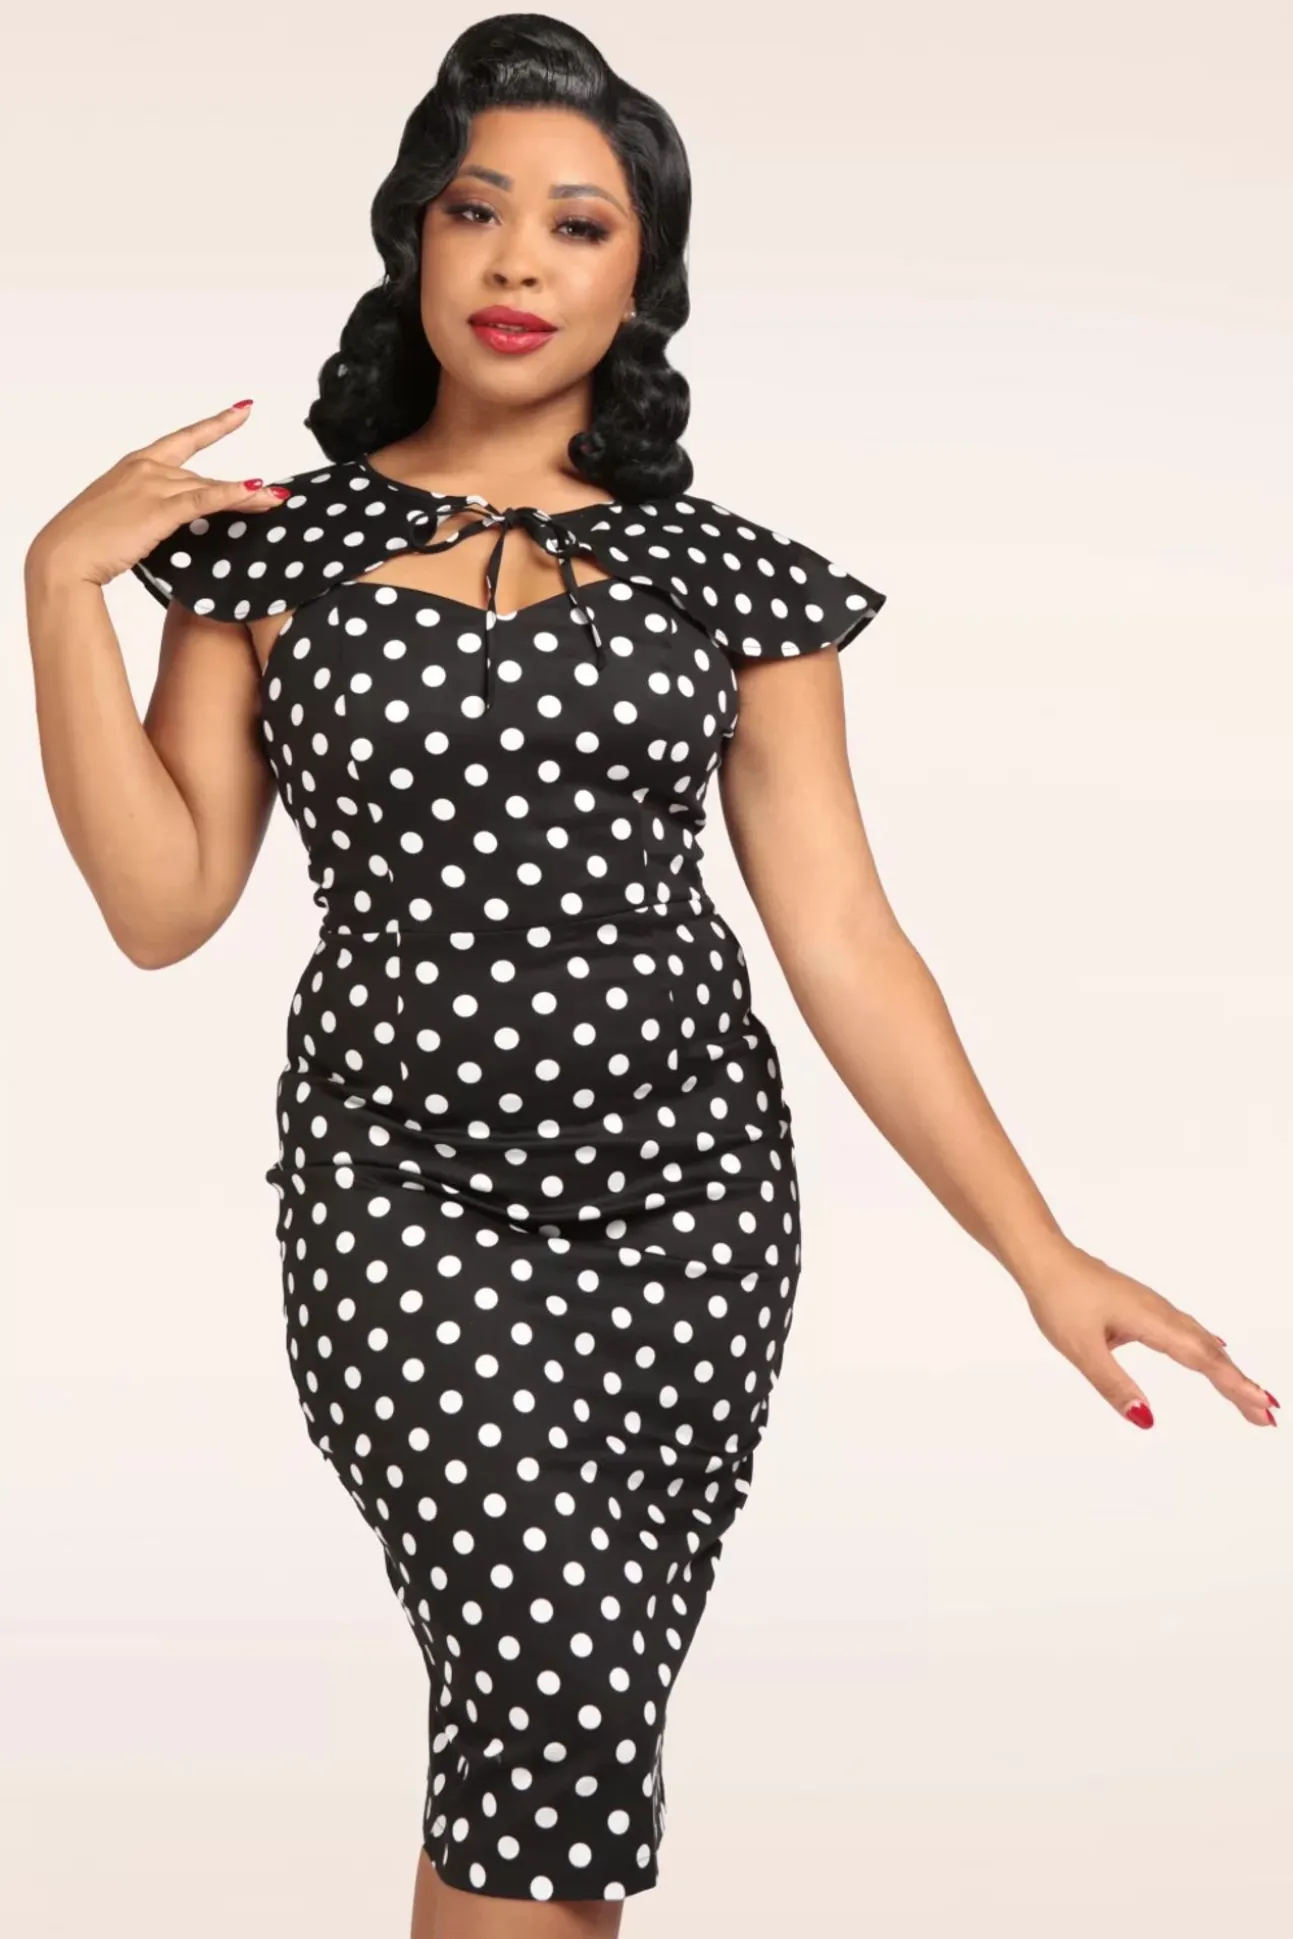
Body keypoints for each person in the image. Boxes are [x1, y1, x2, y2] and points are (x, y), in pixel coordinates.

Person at [24, 13, 1278, 1938]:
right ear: (415, 240)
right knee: (553, 1687)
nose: (518, 260)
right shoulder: (270, 558)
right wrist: (59, 589)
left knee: (565, 1736)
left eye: (580, 224)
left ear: (643, 279)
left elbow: (842, 935)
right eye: (476, 210)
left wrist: (1038, 1251)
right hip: (402, 1191)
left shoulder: (734, 581)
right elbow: (160, 900)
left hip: (693, 1210)